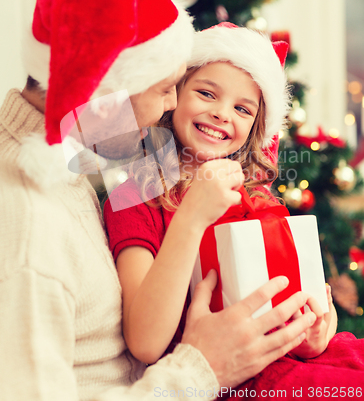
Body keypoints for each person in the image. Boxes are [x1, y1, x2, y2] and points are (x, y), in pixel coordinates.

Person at [0, 0, 314, 401]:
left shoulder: (69, 172)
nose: (170, 106)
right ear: (106, 91)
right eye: (168, 88)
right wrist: (202, 368)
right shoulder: (29, 231)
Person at [104, 23, 364, 399]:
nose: (222, 114)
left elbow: (299, 303)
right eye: (207, 93)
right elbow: (145, 342)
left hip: (288, 362)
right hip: (221, 378)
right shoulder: (134, 198)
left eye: (243, 108)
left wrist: (314, 332)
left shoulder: (257, 197)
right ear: (173, 94)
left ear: (255, 128)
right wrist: (192, 215)